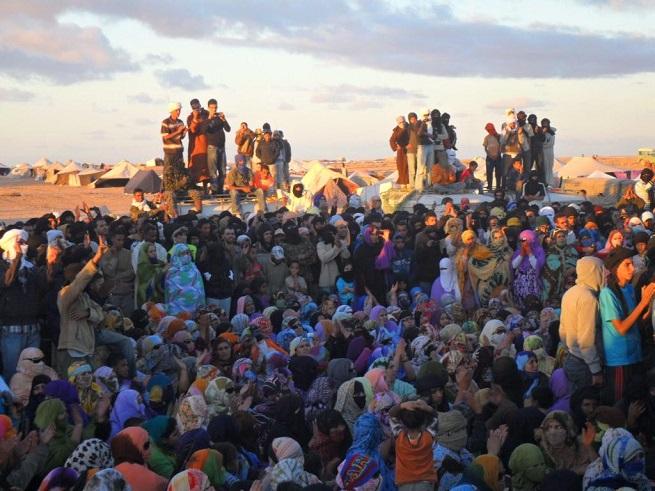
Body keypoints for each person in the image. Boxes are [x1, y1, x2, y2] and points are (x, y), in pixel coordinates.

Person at [600, 247, 655, 403]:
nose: (632, 269)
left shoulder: (629, 288)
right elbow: (622, 328)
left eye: (632, 264)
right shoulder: (607, 294)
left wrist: (647, 305)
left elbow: (637, 321)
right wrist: (643, 302)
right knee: (621, 404)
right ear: (615, 268)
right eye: (627, 265)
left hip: (635, 356)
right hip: (620, 361)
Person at [161, 102, 187, 198]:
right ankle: (166, 192)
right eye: (177, 110)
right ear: (172, 111)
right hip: (169, 152)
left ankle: (178, 191)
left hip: (179, 151)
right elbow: (165, 137)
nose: (179, 112)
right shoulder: (165, 122)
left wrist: (184, 132)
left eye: (179, 110)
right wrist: (178, 131)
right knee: (167, 172)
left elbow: (181, 137)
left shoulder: (181, 122)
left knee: (179, 172)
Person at [205, 98, 231, 194]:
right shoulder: (206, 117)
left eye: (215, 107)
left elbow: (228, 129)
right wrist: (209, 118)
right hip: (212, 147)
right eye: (212, 107)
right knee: (213, 171)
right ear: (208, 107)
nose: (214, 109)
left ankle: (220, 191)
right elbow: (204, 129)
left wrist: (224, 120)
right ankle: (214, 191)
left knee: (223, 171)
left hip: (221, 147)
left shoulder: (219, 117)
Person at [390, 116, 410, 190]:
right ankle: (403, 183)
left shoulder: (409, 128)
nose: (402, 123)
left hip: (409, 150)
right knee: (401, 167)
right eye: (400, 122)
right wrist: (396, 147)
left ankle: (409, 182)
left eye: (403, 122)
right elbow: (392, 140)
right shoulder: (396, 130)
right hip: (401, 151)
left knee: (409, 166)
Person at [483, 123, 502, 192]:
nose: (489, 131)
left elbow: (501, 146)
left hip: (498, 157)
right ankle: (489, 186)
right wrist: (490, 155)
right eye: (488, 130)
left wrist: (498, 154)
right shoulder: (487, 137)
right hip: (489, 157)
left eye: (490, 129)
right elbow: (485, 148)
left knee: (498, 172)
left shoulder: (499, 136)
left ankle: (498, 186)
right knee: (489, 172)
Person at [541, 118, 556, 187]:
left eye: (546, 123)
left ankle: (549, 182)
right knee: (544, 167)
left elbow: (551, 143)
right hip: (542, 152)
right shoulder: (540, 132)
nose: (545, 125)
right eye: (543, 123)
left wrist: (542, 145)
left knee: (549, 168)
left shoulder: (552, 133)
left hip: (549, 152)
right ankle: (544, 182)